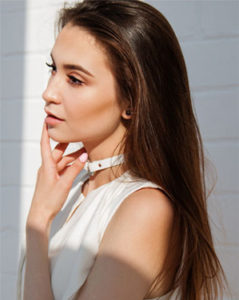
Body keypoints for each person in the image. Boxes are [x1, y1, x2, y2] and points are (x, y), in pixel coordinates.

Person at [16, 0, 226, 299]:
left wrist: (38, 220)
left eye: (75, 79)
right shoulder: (73, 190)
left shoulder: (145, 210)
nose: (48, 92)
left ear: (131, 101)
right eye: (53, 68)